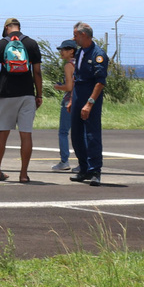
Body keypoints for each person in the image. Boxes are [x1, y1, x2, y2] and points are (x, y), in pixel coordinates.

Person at [0, 17, 43, 183]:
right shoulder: (32, 44)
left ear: (6, 28)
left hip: (6, 93)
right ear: (19, 28)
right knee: (26, 135)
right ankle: (23, 175)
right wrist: (39, 95)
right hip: (27, 94)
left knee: (2, 133)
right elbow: (37, 72)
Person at [69, 22, 109, 186]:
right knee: (76, 134)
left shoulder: (98, 54)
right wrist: (72, 99)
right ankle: (84, 168)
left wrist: (89, 103)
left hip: (90, 95)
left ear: (83, 35)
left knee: (91, 134)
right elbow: (75, 78)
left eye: (76, 35)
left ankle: (95, 171)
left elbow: (100, 82)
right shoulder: (80, 52)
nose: (74, 38)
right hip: (78, 94)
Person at [51, 39, 78, 172]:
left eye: (63, 50)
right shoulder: (79, 63)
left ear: (71, 51)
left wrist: (58, 87)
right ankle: (82, 162)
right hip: (80, 100)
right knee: (79, 132)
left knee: (63, 132)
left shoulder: (68, 65)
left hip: (69, 101)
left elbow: (69, 86)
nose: (61, 52)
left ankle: (64, 161)